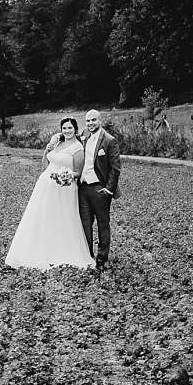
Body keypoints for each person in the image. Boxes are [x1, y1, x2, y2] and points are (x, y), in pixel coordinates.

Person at [4, 117, 94, 270]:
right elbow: (46, 165)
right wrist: (47, 150)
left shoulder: (78, 148)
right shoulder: (58, 143)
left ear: (75, 129)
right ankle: (40, 251)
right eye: (64, 128)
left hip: (64, 188)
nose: (67, 131)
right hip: (45, 186)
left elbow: (78, 172)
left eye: (70, 128)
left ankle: (62, 253)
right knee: (43, 218)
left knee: (62, 219)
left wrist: (65, 176)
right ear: (61, 130)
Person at [76, 109, 120, 271]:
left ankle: (102, 257)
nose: (90, 123)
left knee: (103, 224)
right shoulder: (83, 135)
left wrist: (109, 190)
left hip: (100, 189)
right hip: (83, 188)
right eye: (87, 121)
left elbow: (116, 168)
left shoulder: (109, 140)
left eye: (93, 120)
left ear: (100, 120)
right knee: (85, 224)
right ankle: (88, 256)